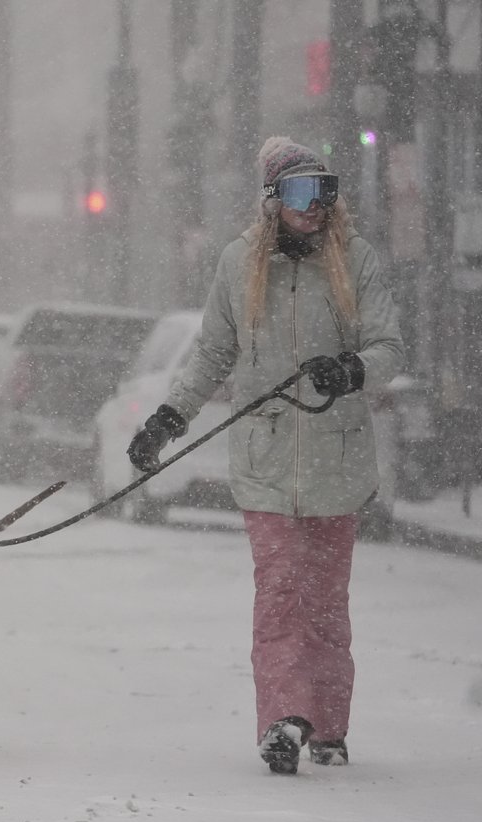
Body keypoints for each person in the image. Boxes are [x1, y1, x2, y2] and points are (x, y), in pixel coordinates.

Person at [126, 137, 405, 775]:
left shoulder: (355, 260)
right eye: (304, 193)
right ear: (274, 200)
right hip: (265, 460)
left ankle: (329, 725)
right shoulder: (238, 264)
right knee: (279, 592)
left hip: (338, 461)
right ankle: (282, 720)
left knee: (327, 599)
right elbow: (212, 356)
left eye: (327, 191)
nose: (317, 207)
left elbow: (390, 347)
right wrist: (167, 420)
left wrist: (350, 370)